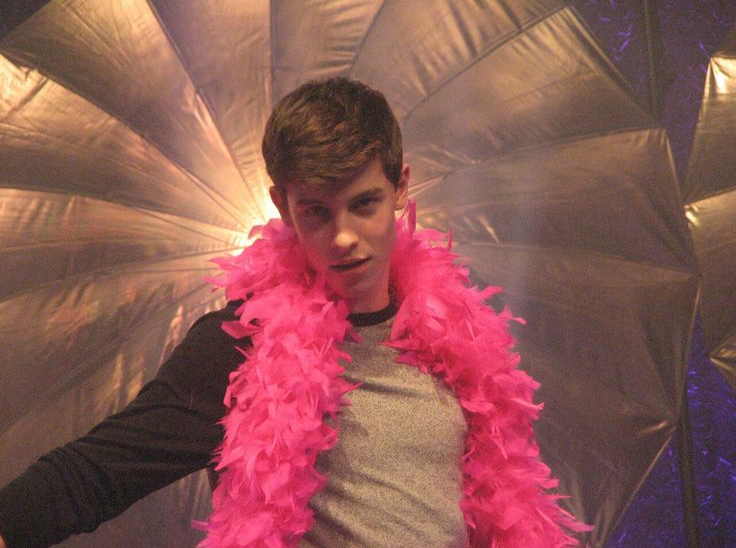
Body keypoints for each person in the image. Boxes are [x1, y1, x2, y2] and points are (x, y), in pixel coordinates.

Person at [0, 78, 587, 547]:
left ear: (401, 188)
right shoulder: (242, 344)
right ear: (282, 204)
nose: (343, 238)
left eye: (364, 205)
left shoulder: (454, 337)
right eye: (316, 212)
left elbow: (494, 505)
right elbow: (95, 473)